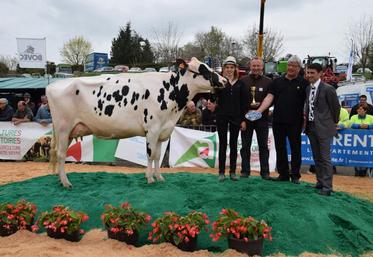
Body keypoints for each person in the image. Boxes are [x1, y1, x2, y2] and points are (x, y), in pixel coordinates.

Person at [255, 55, 309, 184]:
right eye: (289, 65)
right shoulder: (277, 81)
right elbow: (269, 97)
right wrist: (259, 111)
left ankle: (295, 175)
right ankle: (283, 174)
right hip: (278, 120)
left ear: (299, 68)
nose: (291, 68)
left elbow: (308, 102)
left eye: (294, 66)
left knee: (295, 148)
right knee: (280, 147)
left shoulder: (304, 83)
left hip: (295, 122)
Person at [304, 63, 340, 196]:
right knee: (316, 157)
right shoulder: (308, 88)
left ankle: (327, 187)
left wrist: (333, 122)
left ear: (320, 74)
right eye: (308, 73)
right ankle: (319, 182)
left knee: (325, 159)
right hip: (311, 127)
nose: (309, 75)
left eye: (312, 73)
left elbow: (335, 108)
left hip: (324, 128)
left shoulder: (328, 89)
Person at [214, 56, 247, 181]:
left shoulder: (241, 83)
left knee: (234, 145)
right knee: (223, 144)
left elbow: (244, 103)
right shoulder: (219, 82)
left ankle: (232, 172)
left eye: (231, 67)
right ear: (223, 69)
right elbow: (213, 98)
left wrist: (243, 119)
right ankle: (221, 172)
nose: (229, 70)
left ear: (235, 69)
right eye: (227, 67)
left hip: (236, 118)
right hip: (222, 117)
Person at [239, 57, 271, 180]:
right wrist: (242, 118)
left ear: (262, 67)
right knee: (245, 146)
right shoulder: (242, 80)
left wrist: (264, 110)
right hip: (246, 118)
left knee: (263, 146)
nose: (256, 68)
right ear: (250, 67)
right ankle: (245, 171)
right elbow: (239, 101)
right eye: (254, 66)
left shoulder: (268, 81)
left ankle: (265, 172)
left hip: (262, 119)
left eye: (258, 66)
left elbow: (271, 100)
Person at [349, 103, 373, 177]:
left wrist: (368, 126)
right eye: (358, 109)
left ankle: (365, 170)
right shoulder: (353, 117)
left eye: (361, 109)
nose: (359, 111)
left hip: (368, 142)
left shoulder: (371, 117)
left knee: (366, 156)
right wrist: (359, 126)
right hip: (356, 141)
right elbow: (350, 124)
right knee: (356, 154)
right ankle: (357, 170)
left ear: (365, 111)